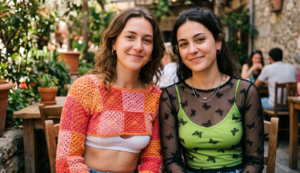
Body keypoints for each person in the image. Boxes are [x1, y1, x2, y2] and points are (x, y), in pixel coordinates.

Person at [56, 7, 165, 173]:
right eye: (130, 37)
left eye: (147, 40)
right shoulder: (86, 89)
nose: (138, 46)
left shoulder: (155, 98)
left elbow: (153, 160)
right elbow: (67, 160)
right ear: (114, 43)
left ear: (152, 50)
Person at [160, 8, 264, 173]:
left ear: (218, 42)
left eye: (200, 39)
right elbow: (171, 161)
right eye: (184, 44)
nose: (192, 49)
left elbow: (255, 161)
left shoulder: (245, 91)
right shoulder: (171, 96)